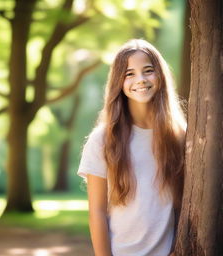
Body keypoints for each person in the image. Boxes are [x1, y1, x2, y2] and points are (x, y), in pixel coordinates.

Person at [77, 39, 186, 256]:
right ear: (118, 81)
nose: (141, 80)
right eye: (129, 74)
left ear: (161, 76)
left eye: (148, 70)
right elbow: (96, 213)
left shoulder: (179, 136)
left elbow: (182, 204)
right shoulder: (103, 140)